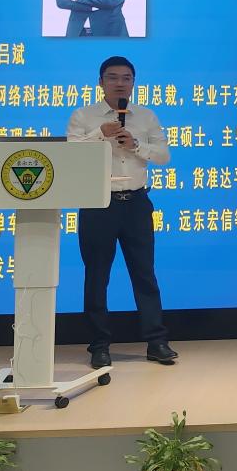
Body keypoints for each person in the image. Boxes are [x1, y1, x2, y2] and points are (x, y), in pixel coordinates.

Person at [66, 56, 176, 368]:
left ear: (133, 83)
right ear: (100, 82)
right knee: (96, 276)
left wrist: (136, 145)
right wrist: (100, 133)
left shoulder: (146, 116)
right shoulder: (83, 116)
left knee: (144, 274)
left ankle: (156, 342)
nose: (119, 83)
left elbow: (164, 155)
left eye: (126, 78)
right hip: (98, 204)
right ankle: (99, 346)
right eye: (112, 77)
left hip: (137, 205)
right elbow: (71, 153)